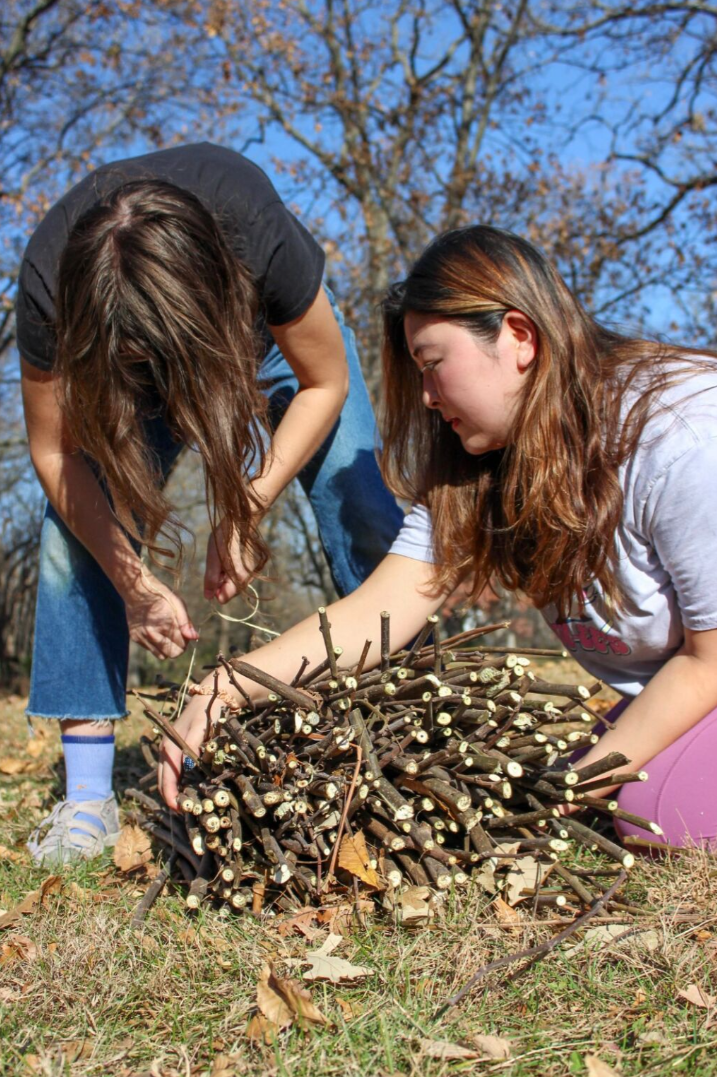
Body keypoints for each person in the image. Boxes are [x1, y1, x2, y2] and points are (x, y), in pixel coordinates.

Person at [160, 224, 717, 851]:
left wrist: (572, 790)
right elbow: (376, 612)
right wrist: (223, 687)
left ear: (519, 336)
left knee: (649, 807)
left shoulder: (683, 434)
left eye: (433, 365)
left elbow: (709, 660)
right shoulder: (481, 465)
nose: (426, 397)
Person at [18, 142, 403, 866]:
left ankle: (403, 721)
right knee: (74, 521)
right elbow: (54, 453)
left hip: (255, 338)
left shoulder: (253, 225)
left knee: (357, 489)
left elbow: (325, 384)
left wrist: (248, 505)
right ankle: (87, 797)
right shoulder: (48, 284)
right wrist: (132, 583)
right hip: (115, 358)